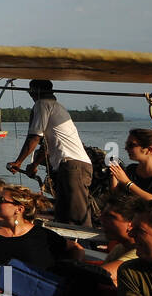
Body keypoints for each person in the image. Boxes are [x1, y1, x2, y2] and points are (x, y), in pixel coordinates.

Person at [8, 79, 92, 226]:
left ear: (36, 92)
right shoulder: (56, 106)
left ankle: (88, 246)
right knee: (63, 214)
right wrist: (34, 164)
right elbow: (46, 146)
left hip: (72, 166)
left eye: (31, 92)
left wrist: (18, 162)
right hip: (70, 166)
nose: (31, 95)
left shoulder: (42, 104)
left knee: (78, 216)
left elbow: (34, 137)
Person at [109, 128, 152, 203]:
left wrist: (127, 182)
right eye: (127, 145)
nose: (126, 148)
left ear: (149, 150)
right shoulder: (131, 169)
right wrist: (114, 175)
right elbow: (117, 198)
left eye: (131, 145)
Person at [96, 193, 140, 284]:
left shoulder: (139, 253)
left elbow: (101, 275)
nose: (101, 219)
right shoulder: (119, 248)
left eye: (110, 217)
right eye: (102, 215)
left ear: (131, 223)